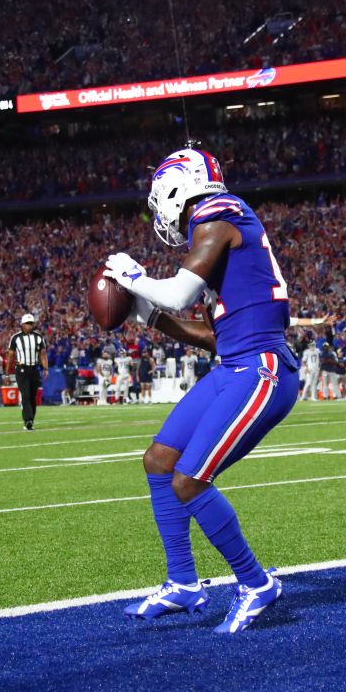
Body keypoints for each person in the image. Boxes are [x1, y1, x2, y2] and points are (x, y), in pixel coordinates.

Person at [104, 148, 297, 633]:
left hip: (261, 369)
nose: (156, 211)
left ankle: (256, 584)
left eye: (157, 199)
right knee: (159, 460)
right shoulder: (216, 230)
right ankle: (183, 582)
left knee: (189, 480)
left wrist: (134, 277)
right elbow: (213, 336)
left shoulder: (218, 214)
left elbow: (179, 294)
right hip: (235, 363)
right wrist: (149, 316)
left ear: (176, 187)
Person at [5, 313, 47, 430]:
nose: (29, 326)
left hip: (34, 369)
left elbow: (43, 354)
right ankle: (27, 420)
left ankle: (31, 420)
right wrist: (7, 372)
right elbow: (11, 356)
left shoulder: (39, 337)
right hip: (21, 370)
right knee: (26, 395)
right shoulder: (16, 338)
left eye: (31, 324)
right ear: (22, 325)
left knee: (33, 397)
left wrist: (45, 368)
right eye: (27, 324)